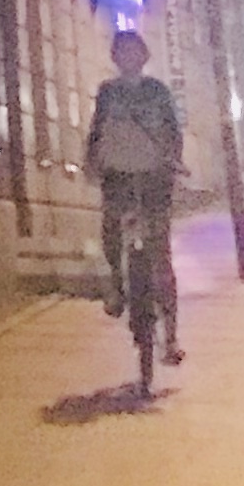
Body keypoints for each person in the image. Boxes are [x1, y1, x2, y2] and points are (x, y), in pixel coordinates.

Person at [85, 24, 185, 355]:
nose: (128, 57)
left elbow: (173, 131)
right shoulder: (107, 92)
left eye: (133, 51)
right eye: (122, 52)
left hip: (154, 178)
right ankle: (116, 284)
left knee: (161, 254)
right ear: (115, 58)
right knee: (112, 232)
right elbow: (97, 131)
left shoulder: (157, 91)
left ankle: (171, 336)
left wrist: (174, 160)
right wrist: (92, 163)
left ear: (143, 56)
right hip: (119, 177)